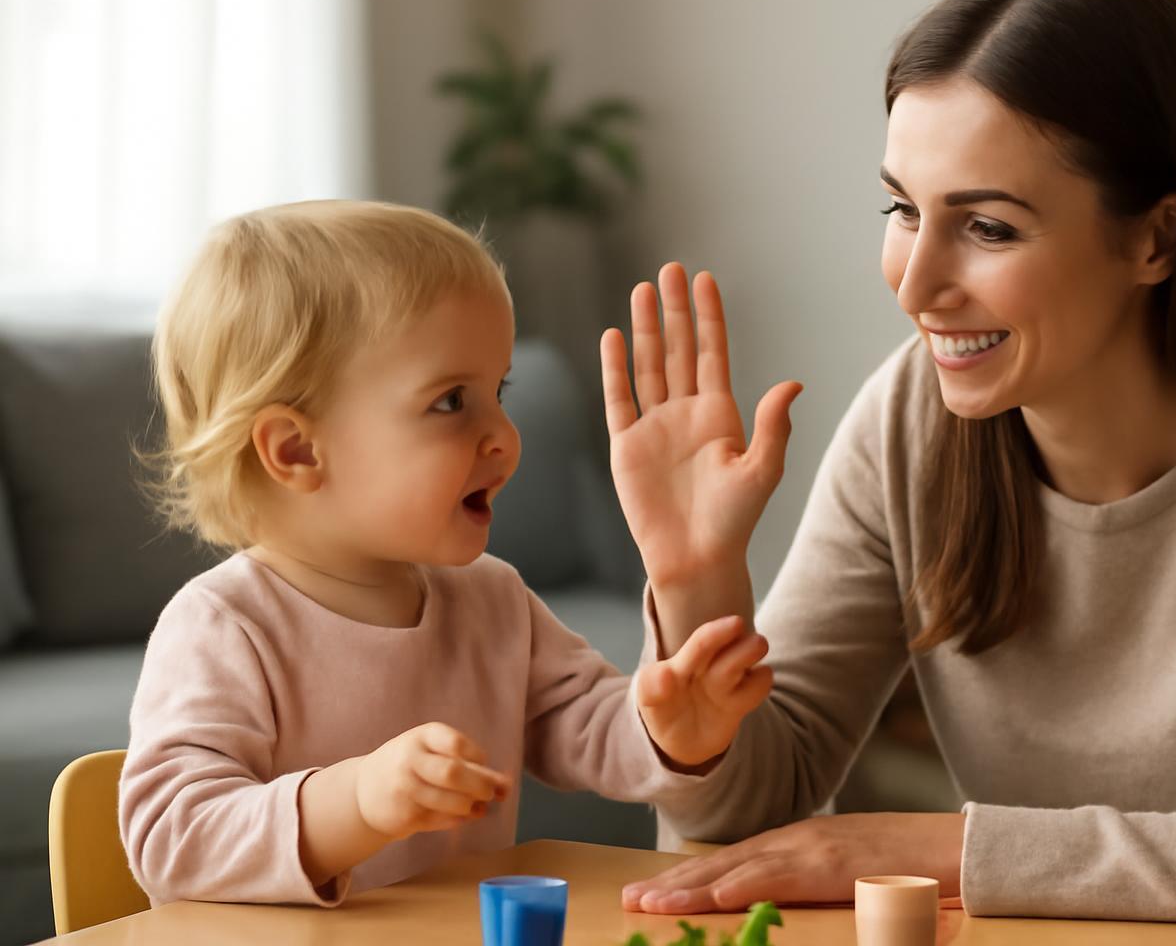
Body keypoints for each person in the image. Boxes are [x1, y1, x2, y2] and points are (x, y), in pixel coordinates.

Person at [602, 0, 1176, 946]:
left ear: (1155, 239)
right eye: (902, 210)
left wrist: (951, 851)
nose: (915, 283)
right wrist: (696, 587)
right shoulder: (910, 420)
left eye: (986, 226)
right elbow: (741, 832)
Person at [119, 200, 780, 906]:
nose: (504, 434)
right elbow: (170, 837)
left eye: (498, 391)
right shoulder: (226, 625)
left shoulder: (493, 599)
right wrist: (356, 801)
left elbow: (589, 728)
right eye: (450, 402)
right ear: (297, 450)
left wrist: (668, 730)